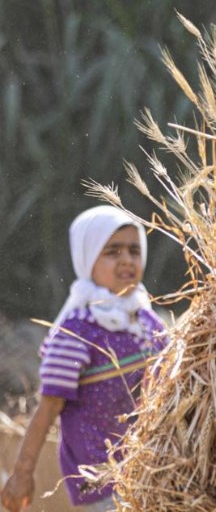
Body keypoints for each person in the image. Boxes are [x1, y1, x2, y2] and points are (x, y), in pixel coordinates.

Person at [1, 206, 167, 512]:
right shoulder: (76, 332)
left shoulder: (146, 319)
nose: (127, 260)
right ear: (87, 258)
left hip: (155, 468)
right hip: (102, 478)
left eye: (133, 250)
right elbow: (49, 406)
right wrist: (22, 473)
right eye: (112, 252)